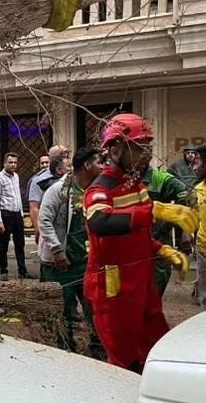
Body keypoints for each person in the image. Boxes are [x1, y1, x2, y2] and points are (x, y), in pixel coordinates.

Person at [83, 113, 197, 371]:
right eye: (137, 148)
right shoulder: (101, 189)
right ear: (114, 150)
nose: (145, 155)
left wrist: (163, 249)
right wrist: (153, 211)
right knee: (125, 360)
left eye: (147, 147)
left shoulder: (136, 186)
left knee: (155, 348)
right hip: (115, 288)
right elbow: (99, 222)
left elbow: (138, 234)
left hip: (143, 284)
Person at [38, 145, 103, 353]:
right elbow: (44, 220)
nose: (103, 166)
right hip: (60, 263)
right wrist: (57, 250)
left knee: (92, 305)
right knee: (62, 308)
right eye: (98, 162)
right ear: (86, 165)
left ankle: (97, 344)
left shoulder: (94, 191)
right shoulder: (58, 190)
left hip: (84, 261)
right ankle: (64, 346)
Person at [136, 153, 193, 296]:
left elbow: (186, 195)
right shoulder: (124, 178)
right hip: (131, 239)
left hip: (157, 239)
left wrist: (168, 223)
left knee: (157, 281)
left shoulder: (160, 178)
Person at [0, 152, 32, 281]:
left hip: (16, 214)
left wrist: (21, 214)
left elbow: (17, 196)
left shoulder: (16, 177)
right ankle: (3, 271)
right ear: (4, 163)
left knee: (20, 244)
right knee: (4, 244)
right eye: (10, 162)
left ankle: (22, 270)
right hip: (5, 214)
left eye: (15, 162)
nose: (13, 165)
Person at [28, 144, 71, 243]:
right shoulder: (40, 180)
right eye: (64, 155)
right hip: (51, 227)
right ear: (52, 158)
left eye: (68, 155)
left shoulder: (71, 175)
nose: (67, 158)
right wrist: (37, 230)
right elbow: (34, 207)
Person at [194, 148, 206, 310]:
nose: (194, 168)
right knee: (204, 297)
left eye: (198, 164)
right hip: (202, 249)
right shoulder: (198, 189)